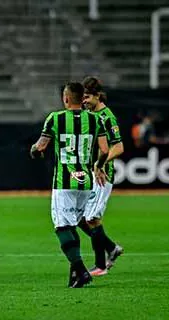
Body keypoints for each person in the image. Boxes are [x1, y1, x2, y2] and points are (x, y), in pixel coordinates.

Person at [30, 82, 109, 288]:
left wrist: (34, 151)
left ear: (66, 99)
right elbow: (105, 149)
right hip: (86, 181)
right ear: (82, 98)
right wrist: (99, 166)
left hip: (64, 181)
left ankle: (81, 270)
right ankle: (76, 273)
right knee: (73, 223)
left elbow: (40, 147)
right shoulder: (95, 119)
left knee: (62, 226)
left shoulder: (55, 118)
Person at [78, 77, 124, 276]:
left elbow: (119, 146)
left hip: (102, 174)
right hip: (89, 172)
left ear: (97, 95)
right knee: (79, 217)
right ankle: (111, 248)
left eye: (87, 97)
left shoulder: (107, 117)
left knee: (92, 218)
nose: (84, 101)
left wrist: (101, 163)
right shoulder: (89, 114)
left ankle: (100, 266)